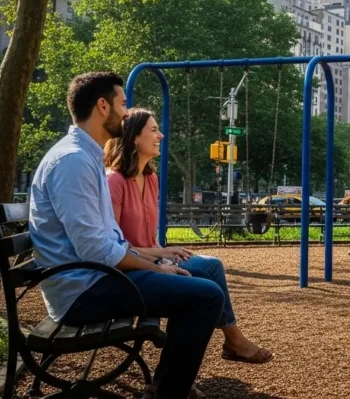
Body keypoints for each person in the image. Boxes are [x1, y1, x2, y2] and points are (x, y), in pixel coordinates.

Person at [28, 72, 224, 399]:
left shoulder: (86, 156)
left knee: (203, 277)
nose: (126, 110)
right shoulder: (73, 161)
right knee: (205, 297)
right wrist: (157, 267)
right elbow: (95, 249)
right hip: (83, 290)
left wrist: (153, 258)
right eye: (122, 103)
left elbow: (105, 241)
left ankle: (166, 386)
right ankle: (166, 393)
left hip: (92, 278)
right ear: (102, 106)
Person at [103, 108, 272, 364]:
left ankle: (229, 342)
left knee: (212, 265)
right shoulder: (115, 181)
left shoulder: (150, 178)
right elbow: (116, 246)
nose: (160, 135)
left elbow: (149, 235)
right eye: (153, 130)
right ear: (134, 138)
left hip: (153, 259)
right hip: (131, 267)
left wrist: (163, 255)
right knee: (201, 284)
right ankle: (230, 343)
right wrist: (161, 255)